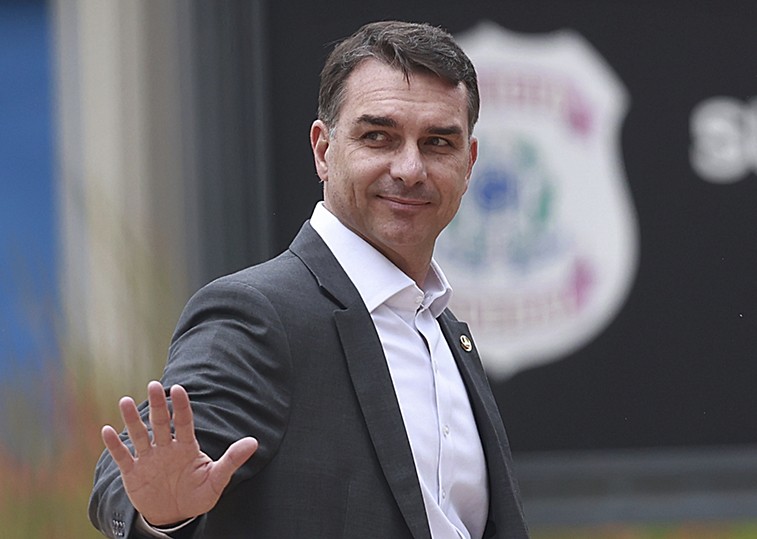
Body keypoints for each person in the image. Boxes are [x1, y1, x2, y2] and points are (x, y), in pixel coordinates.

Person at [89, 20, 529, 539]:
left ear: (469, 163)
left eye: (437, 143)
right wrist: (162, 513)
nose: (410, 169)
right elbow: (141, 473)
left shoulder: (443, 329)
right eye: (378, 137)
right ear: (323, 150)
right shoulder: (260, 314)